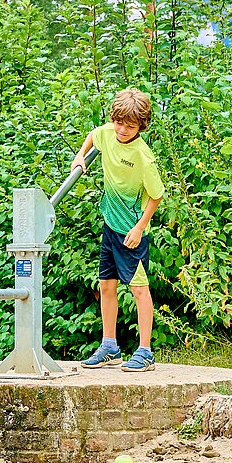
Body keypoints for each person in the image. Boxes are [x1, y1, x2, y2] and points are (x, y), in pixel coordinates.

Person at [70, 88, 165, 372]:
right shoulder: (108, 133)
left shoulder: (143, 156)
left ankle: (145, 352)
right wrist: (79, 157)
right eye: (119, 122)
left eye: (130, 125)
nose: (123, 129)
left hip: (131, 234)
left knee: (139, 290)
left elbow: (157, 195)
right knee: (106, 286)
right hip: (110, 227)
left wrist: (139, 228)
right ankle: (109, 347)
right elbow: (92, 135)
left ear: (141, 126)